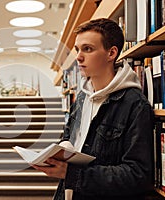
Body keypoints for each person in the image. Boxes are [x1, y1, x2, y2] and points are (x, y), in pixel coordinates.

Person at [33, 18, 154, 200]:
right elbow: (70, 138)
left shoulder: (134, 105)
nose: (78, 57)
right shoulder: (81, 98)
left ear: (111, 53)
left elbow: (137, 175)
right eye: (77, 50)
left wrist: (71, 174)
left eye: (87, 49)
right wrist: (59, 151)